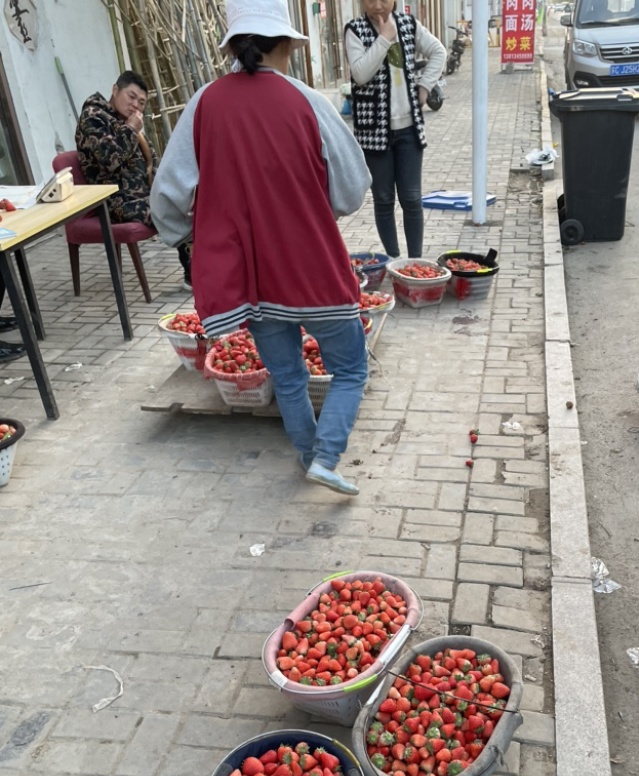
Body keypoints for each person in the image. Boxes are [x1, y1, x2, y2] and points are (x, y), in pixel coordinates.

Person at [151, 0, 372, 497]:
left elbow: (167, 195)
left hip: (252, 278)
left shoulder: (204, 104)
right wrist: (318, 210)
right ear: (289, 44)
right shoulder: (308, 101)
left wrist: (188, 235)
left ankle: (307, 455)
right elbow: (353, 187)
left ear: (232, 45)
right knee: (351, 367)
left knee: (288, 375)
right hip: (314, 267)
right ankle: (328, 456)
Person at [344, 0, 445, 259]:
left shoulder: (408, 24)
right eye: (370, 0)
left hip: (409, 128)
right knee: (384, 199)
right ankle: (393, 259)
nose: (378, 5)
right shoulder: (355, 30)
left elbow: (438, 52)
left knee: (412, 198)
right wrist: (384, 39)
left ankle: (414, 261)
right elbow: (360, 74)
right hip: (374, 132)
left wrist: (424, 88)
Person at [76, 71, 192, 290]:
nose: (135, 106)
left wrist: (167, 187)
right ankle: (193, 275)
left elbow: (153, 159)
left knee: (191, 201)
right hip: (115, 201)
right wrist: (131, 129)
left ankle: (201, 270)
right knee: (179, 210)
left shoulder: (123, 120)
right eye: (131, 97)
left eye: (141, 102)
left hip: (141, 196)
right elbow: (111, 160)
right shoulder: (93, 117)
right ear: (115, 90)